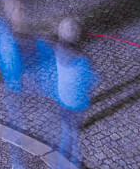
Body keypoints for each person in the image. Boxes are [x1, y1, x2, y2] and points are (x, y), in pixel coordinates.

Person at [0, 0, 30, 169]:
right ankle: (17, 164)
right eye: (18, 10)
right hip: (13, 85)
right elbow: (10, 60)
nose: (22, 13)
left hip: (14, 83)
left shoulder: (4, 29)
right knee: (16, 123)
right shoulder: (7, 33)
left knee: (15, 121)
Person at [54, 16, 96, 169]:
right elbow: (90, 80)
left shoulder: (58, 50)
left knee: (67, 131)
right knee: (71, 135)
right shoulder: (82, 60)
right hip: (76, 103)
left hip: (63, 98)